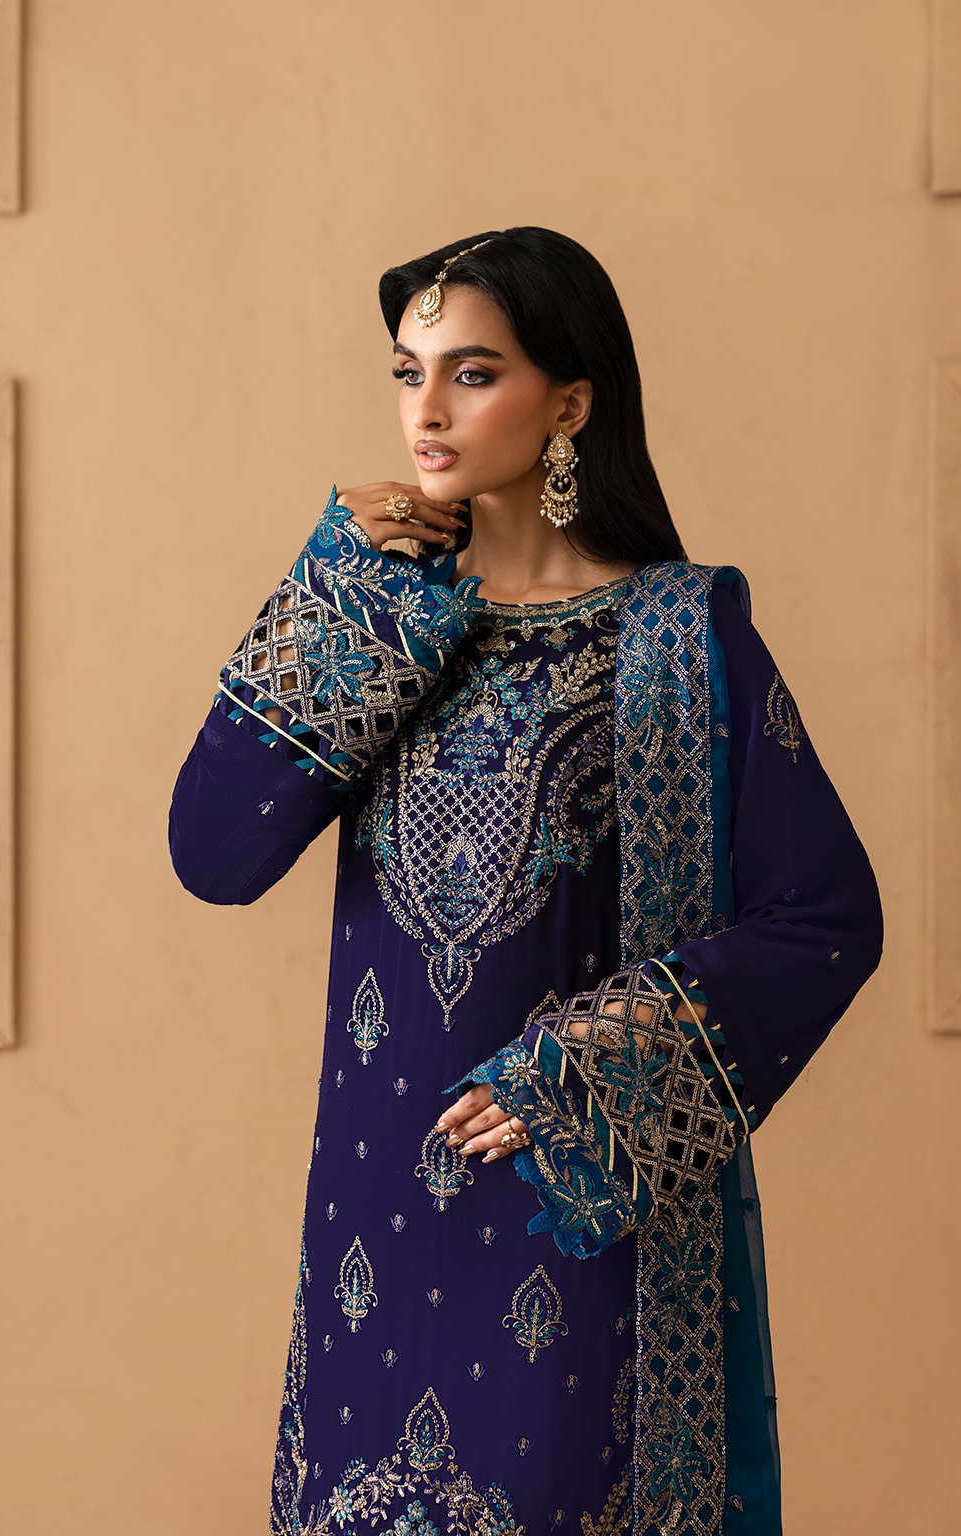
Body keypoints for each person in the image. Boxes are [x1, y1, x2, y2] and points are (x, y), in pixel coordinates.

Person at [169, 227, 882, 1536]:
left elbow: (824, 920)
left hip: (578, 1201)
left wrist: (578, 1076)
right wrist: (336, 597)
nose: (427, 411)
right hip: (377, 1212)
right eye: (410, 372)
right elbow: (213, 855)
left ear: (570, 403)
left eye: (474, 371)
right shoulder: (384, 618)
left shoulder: (680, 634)